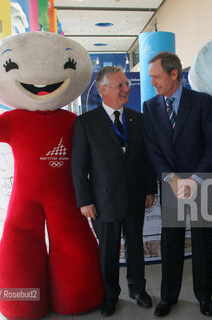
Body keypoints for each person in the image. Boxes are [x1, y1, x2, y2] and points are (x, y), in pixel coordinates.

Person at [71, 66, 157, 317]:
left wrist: (150, 189)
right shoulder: (85, 123)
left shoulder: (138, 119)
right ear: (103, 90)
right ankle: (110, 295)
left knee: (135, 246)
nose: (126, 89)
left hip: (135, 196)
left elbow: (146, 159)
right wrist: (84, 200)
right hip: (103, 199)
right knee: (108, 251)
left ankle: (138, 289)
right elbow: (78, 166)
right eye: (119, 85)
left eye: (126, 84)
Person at [143, 52, 212, 317]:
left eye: (156, 77)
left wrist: (194, 179)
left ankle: (204, 297)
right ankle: (168, 297)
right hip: (171, 186)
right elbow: (153, 151)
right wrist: (172, 179)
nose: (153, 82)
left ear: (174, 74)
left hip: (201, 184)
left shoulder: (201, 103)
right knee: (171, 243)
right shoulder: (150, 107)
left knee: (201, 242)